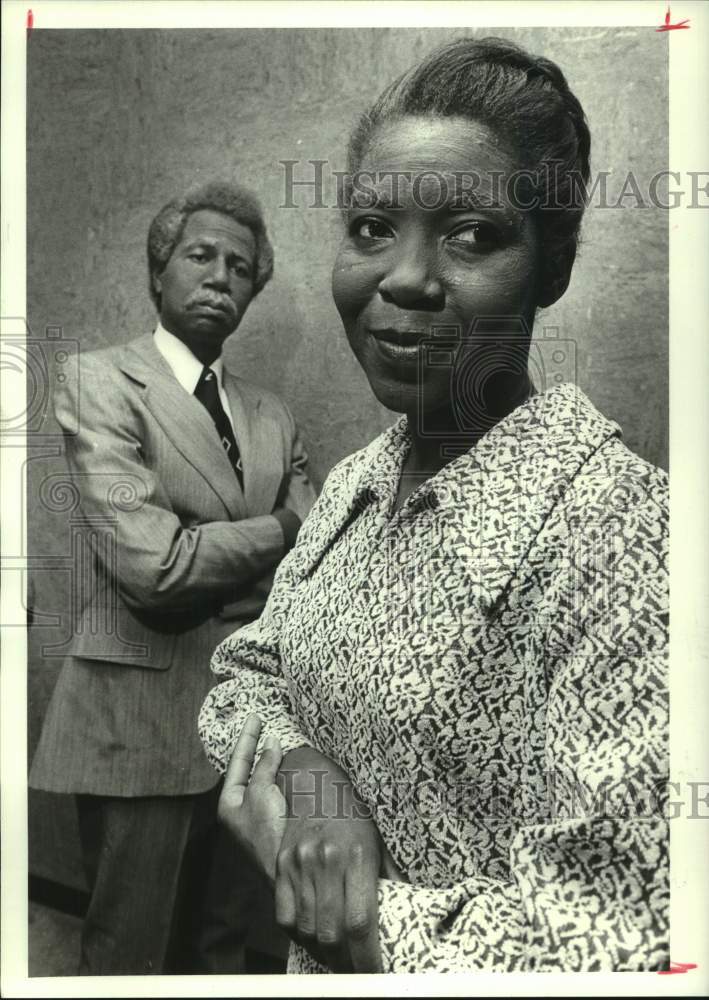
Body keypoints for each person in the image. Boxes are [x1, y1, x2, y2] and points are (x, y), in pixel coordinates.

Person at [198, 38, 669, 973]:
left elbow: (627, 943)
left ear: (553, 265)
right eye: (371, 226)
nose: (403, 278)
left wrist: (355, 924)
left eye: (472, 234)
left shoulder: (625, 537)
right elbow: (248, 675)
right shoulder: (354, 484)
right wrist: (309, 775)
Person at [29, 180, 317, 974]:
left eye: (240, 266)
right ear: (159, 271)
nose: (221, 275)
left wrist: (213, 547)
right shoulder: (97, 381)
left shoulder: (273, 415)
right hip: (137, 718)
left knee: (221, 948)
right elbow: (151, 569)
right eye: (200, 255)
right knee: (130, 948)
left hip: (250, 725)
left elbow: (316, 560)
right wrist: (279, 531)